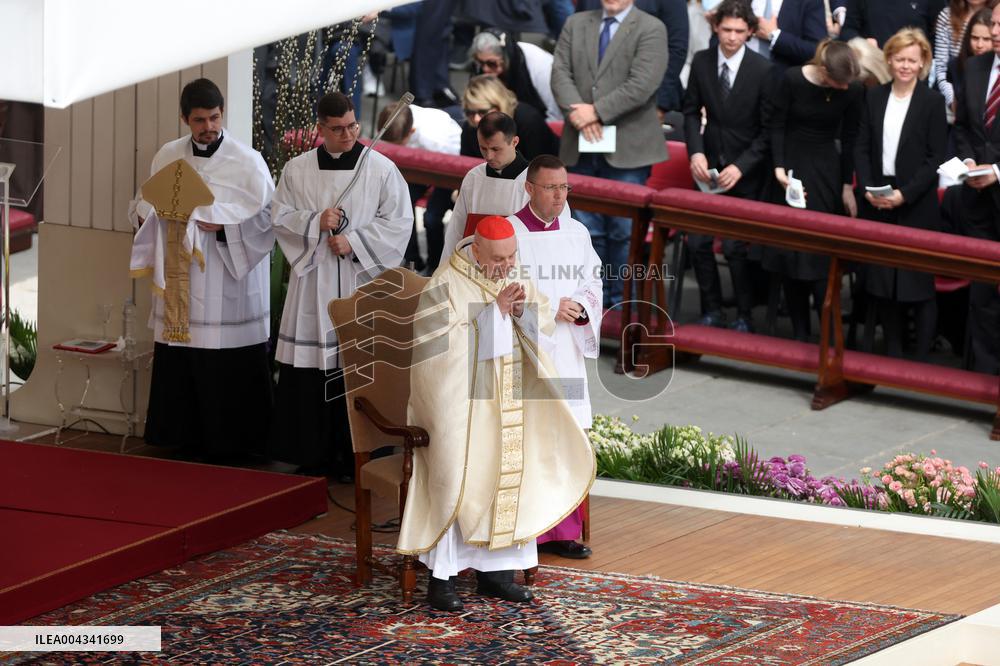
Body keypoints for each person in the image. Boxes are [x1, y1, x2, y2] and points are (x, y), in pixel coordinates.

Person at [398, 214, 595, 611]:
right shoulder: (445, 284)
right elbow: (436, 354)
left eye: (512, 257)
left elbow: (542, 323)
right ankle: (443, 580)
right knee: (458, 475)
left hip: (510, 400)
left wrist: (522, 312)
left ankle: (498, 574)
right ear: (476, 250)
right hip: (464, 408)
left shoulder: (514, 273)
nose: (508, 267)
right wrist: (495, 314)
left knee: (514, 477)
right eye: (499, 259)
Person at [129, 78, 275, 463]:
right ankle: (182, 437)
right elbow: (143, 203)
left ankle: (236, 445)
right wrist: (150, 214)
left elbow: (266, 221)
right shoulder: (168, 155)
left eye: (214, 117)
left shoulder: (248, 162)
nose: (208, 127)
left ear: (222, 113)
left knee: (224, 362)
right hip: (181, 280)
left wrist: (225, 227)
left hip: (225, 282)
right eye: (199, 120)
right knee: (183, 359)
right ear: (184, 119)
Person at [270, 92, 413, 477]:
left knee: (356, 370)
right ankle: (312, 454)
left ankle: (357, 458)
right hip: (313, 283)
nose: (348, 135)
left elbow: (400, 222)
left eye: (352, 126)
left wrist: (355, 242)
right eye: (337, 129)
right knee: (311, 371)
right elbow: (278, 216)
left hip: (359, 283)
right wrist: (314, 222)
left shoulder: (380, 169)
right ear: (320, 129)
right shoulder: (298, 169)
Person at [507, 155, 603, 559]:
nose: (560, 196)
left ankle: (563, 532)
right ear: (530, 189)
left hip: (565, 352)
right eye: (551, 188)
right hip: (525, 353)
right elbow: (501, 291)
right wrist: (548, 308)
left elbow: (592, 280)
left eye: (564, 187)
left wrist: (580, 306)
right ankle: (525, 528)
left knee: (566, 437)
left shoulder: (577, 232)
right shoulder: (508, 233)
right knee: (529, 438)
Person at [551, 0, 669, 307]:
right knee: (584, 230)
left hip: (628, 150)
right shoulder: (576, 23)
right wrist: (578, 114)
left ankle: (620, 305)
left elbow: (642, 84)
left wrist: (595, 112)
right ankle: (590, 303)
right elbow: (560, 73)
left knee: (623, 232)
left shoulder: (651, 28)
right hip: (580, 145)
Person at [855, 28, 947, 361]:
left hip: (915, 203)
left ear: (923, 63)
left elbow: (935, 158)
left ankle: (920, 359)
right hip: (878, 198)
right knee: (883, 283)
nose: (905, 66)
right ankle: (892, 351)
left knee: (917, 286)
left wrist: (904, 195)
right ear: (889, 60)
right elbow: (862, 147)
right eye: (899, 59)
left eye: (912, 60)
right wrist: (868, 188)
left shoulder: (932, 102)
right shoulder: (874, 96)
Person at [684, 0, 774, 332]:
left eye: (739, 31)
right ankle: (711, 311)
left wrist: (742, 166)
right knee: (698, 242)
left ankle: (744, 315)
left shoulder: (763, 69)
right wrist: (695, 152)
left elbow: (768, 131)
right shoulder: (702, 61)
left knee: (736, 247)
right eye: (726, 30)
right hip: (707, 166)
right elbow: (690, 112)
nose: (732, 37)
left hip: (745, 172)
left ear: (750, 32)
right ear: (716, 28)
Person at [764, 39, 863, 341]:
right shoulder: (793, 79)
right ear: (823, 71)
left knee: (819, 254)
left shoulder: (853, 89)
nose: (844, 88)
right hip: (791, 165)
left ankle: (830, 337)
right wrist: (779, 167)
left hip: (826, 169)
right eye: (838, 82)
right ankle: (800, 333)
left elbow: (851, 138)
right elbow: (776, 124)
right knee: (790, 252)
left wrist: (846, 184)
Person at [441, 111, 568, 262]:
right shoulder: (473, 178)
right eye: (483, 148)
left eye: (496, 149)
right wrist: (447, 267)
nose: (489, 156)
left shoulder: (539, 181)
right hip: (475, 266)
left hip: (522, 268)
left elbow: (559, 235)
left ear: (514, 142)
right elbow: (456, 231)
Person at [951, 3, 1000, 373]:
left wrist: (997, 171)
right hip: (977, 200)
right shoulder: (975, 67)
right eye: (994, 24)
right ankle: (984, 376)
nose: (995, 32)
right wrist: (969, 162)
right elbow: (964, 128)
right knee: (982, 293)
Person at [378, 101, 462, 274]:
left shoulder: (436, 139)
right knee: (401, 205)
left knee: (431, 216)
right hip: (416, 166)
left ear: (412, 132)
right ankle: (413, 262)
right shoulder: (396, 122)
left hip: (447, 169)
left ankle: (435, 266)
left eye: (399, 144)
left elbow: (456, 169)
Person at [576, 0, 691, 115]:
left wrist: (660, 103)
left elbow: (676, 49)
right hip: (586, 102)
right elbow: (575, 43)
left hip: (644, 103)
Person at [469, 29, 563, 122]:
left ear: (506, 58)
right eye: (480, 62)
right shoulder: (480, 67)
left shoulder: (541, 67)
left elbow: (556, 116)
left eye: (492, 64)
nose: (485, 69)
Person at [458, 75, 559, 161]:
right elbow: (468, 166)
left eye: (483, 112)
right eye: (470, 112)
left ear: (499, 105)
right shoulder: (470, 126)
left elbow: (538, 168)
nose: (476, 119)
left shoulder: (528, 121)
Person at [934, 0, 992, 115]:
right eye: (974, 38)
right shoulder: (947, 16)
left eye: (986, 39)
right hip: (956, 92)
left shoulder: (996, 15)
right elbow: (941, 71)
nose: (979, 44)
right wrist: (953, 101)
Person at [840, 0, 946, 47]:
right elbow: (847, 30)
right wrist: (862, 43)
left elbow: (939, 37)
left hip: (914, 73)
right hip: (874, 72)